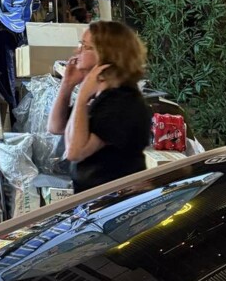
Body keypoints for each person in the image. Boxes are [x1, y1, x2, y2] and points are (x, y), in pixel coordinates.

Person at [47, 21, 151, 194]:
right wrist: (67, 84)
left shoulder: (122, 102)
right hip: (95, 201)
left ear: (107, 54)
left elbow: (75, 151)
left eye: (85, 46)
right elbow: (56, 126)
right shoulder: (103, 97)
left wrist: (81, 96)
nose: (77, 51)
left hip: (114, 207)